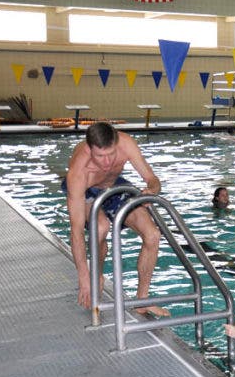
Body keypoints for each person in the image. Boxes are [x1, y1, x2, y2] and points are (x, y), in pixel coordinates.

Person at [63, 122, 167, 317]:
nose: (107, 162)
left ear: (116, 142)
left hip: (113, 185)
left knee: (153, 234)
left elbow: (152, 179)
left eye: (111, 154)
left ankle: (142, 300)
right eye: (100, 157)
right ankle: (97, 275)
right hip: (87, 191)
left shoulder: (126, 144)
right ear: (89, 149)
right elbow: (76, 231)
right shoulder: (79, 171)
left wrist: (151, 189)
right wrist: (83, 277)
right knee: (101, 228)